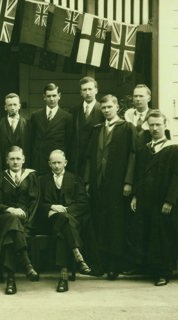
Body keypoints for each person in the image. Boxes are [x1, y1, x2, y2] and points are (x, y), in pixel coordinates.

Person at [85, 94, 136, 280]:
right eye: (103, 108)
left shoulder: (126, 128)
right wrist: (88, 182)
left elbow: (133, 155)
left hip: (117, 183)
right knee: (100, 223)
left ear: (117, 107)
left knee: (116, 224)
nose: (106, 110)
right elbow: (90, 158)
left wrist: (128, 181)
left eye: (109, 107)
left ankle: (115, 265)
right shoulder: (97, 129)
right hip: (99, 182)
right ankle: (101, 264)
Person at [130, 111, 178, 286]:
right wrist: (135, 195)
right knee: (146, 232)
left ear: (165, 125)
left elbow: (176, 176)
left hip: (163, 200)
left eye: (158, 124)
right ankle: (147, 268)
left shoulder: (173, 148)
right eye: (152, 125)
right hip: (145, 199)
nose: (155, 128)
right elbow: (139, 174)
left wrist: (170, 200)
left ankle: (162, 272)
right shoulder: (145, 149)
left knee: (162, 236)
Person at [37, 150, 92, 293]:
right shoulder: (42, 180)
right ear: (49, 164)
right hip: (49, 222)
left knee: (63, 225)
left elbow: (82, 203)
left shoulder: (74, 179)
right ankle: (77, 254)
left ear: (65, 163)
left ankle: (63, 274)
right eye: (53, 163)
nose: (56, 166)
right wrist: (51, 207)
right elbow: (37, 204)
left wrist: (65, 211)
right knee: (63, 222)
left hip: (69, 219)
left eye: (59, 162)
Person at [0, 146, 40, 295]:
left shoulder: (31, 177)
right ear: (6, 161)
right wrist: (10, 210)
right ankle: (27, 264)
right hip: (3, 217)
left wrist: (26, 220)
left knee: (10, 235)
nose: (15, 162)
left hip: (25, 221)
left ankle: (11, 279)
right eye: (12, 159)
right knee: (12, 220)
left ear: (23, 159)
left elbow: (34, 203)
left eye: (18, 158)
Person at [29, 83, 72, 174]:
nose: (51, 99)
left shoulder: (67, 117)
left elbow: (69, 142)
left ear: (59, 96)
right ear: (44, 97)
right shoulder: (36, 116)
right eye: (48, 96)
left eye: (54, 95)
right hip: (39, 162)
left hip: (56, 163)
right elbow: (31, 140)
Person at [69, 77, 104, 176]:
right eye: (84, 90)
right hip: (76, 159)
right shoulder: (74, 111)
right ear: (81, 92)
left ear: (96, 90)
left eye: (90, 89)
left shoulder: (102, 110)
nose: (87, 93)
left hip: (94, 158)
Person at [0, 93, 31, 168]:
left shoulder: (28, 124)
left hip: (23, 167)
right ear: (5, 107)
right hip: (4, 167)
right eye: (10, 105)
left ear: (19, 106)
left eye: (15, 104)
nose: (12, 107)